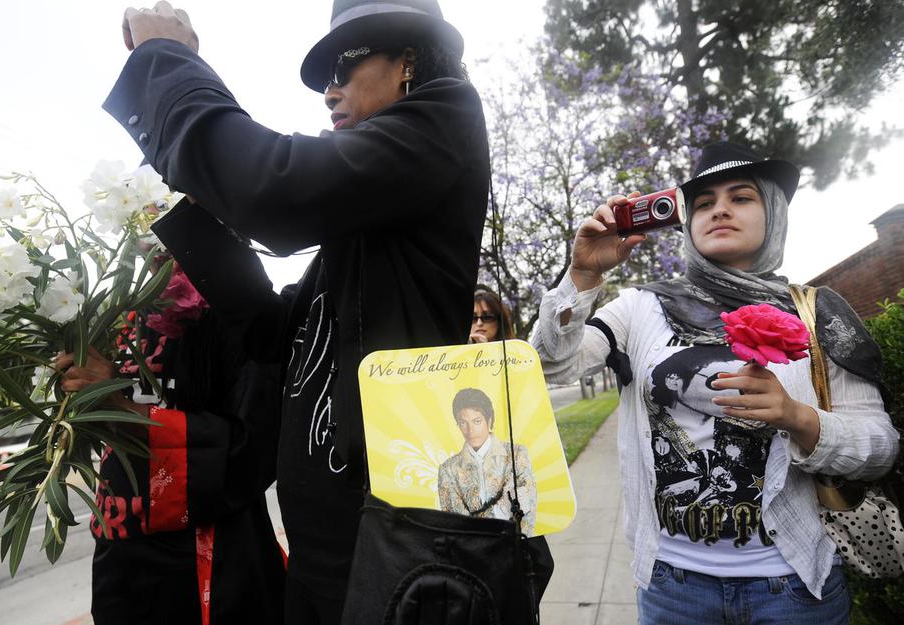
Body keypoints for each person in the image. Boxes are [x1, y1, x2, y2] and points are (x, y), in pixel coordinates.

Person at [106, 1, 491, 621]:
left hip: (393, 548)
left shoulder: (446, 117)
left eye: (344, 66)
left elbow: (275, 188)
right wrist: (178, 214)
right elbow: (273, 333)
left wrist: (166, 63)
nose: (329, 93)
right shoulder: (362, 228)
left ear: (408, 63)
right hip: (324, 555)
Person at [532, 141, 899, 624]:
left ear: (772, 212)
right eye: (703, 203)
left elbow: (881, 446)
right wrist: (581, 277)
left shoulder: (816, 314)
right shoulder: (642, 307)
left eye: (741, 197)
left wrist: (800, 419)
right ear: (686, 222)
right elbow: (550, 367)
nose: (720, 209)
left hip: (793, 588)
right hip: (673, 590)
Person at [56, 237, 284, 625]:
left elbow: (250, 452)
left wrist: (119, 402)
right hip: (118, 548)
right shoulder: (121, 311)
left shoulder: (239, 309)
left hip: (205, 565)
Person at [438, 387, 538, 535]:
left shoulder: (516, 455)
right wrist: (502, 509)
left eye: (477, 421)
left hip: (517, 546)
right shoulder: (448, 470)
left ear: (489, 420)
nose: (470, 430)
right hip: (473, 553)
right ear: (457, 424)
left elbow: (527, 507)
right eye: (463, 423)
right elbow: (456, 524)